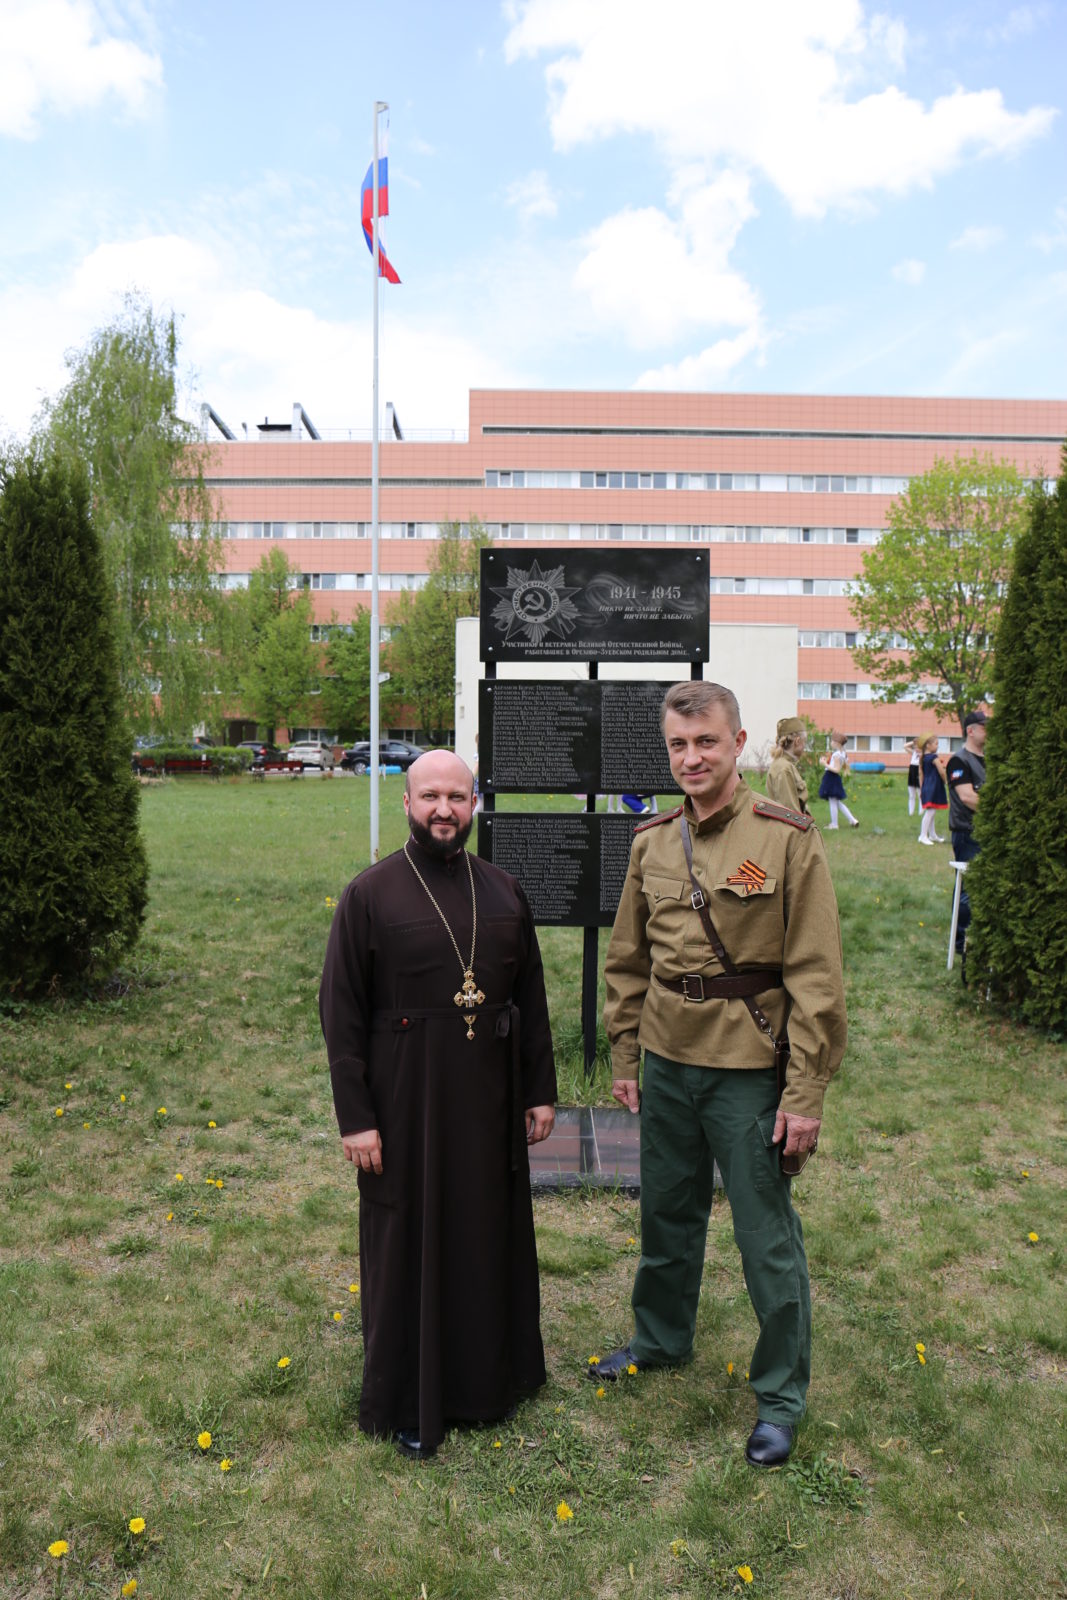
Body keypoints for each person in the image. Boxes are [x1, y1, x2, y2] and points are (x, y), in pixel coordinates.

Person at [589, 681, 847, 1469]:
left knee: (766, 1237)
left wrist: (803, 1093)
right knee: (665, 1216)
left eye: (705, 742)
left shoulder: (785, 838)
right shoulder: (651, 840)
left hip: (747, 1068)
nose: (691, 758)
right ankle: (660, 1339)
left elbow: (816, 976)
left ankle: (779, 1397)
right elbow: (628, 959)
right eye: (677, 745)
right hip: (667, 1059)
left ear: (737, 744)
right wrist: (626, 1054)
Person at [319, 750, 557, 1459]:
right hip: (403, 1103)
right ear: (406, 801)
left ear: (476, 802)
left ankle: (489, 1382)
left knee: (486, 1231)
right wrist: (355, 1117)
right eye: (430, 796)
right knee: (409, 1242)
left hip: (488, 1097)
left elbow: (532, 1002)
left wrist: (540, 1091)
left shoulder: (505, 890)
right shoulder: (371, 893)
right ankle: (407, 1394)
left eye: (456, 796)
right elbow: (340, 1013)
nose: (443, 810)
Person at [945, 712, 988, 974]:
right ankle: (961, 942)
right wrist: (997, 809)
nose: (988, 732)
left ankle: (975, 938)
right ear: (971, 730)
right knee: (967, 889)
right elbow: (968, 797)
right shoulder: (959, 760)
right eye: (984, 727)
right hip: (967, 833)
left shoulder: (989, 760)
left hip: (986, 832)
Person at [765, 717, 810, 816]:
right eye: (804, 742)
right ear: (797, 741)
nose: (804, 747)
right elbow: (790, 815)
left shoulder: (783, 765)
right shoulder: (784, 768)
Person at [818, 732, 859, 829]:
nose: (831, 742)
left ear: (837, 743)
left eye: (832, 741)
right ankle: (852, 820)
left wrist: (824, 764)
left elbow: (836, 770)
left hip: (831, 777)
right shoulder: (843, 753)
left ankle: (834, 824)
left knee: (833, 801)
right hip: (834, 779)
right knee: (837, 802)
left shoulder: (836, 754)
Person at [918, 734, 948, 844]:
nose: (937, 746)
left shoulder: (923, 758)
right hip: (934, 786)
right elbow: (941, 772)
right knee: (931, 811)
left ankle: (932, 835)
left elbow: (920, 774)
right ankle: (923, 835)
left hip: (926, 786)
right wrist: (945, 781)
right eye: (936, 744)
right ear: (928, 745)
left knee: (931, 811)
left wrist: (922, 788)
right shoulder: (934, 757)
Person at [905, 738, 922, 817]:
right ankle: (911, 813)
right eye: (915, 746)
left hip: (919, 774)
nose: (916, 748)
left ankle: (921, 812)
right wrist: (914, 742)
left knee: (920, 795)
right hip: (912, 773)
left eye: (917, 746)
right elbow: (905, 746)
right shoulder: (914, 753)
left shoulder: (924, 754)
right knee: (911, 795)